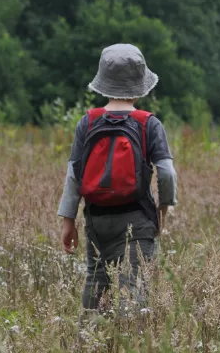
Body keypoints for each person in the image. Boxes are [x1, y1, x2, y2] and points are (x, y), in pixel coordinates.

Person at [57, 44, 177, 312]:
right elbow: (167, 172)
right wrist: (164, 209)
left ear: (103, 81)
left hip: (96, 220)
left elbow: (73, 175)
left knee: (95, 285)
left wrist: (68, 221)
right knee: (132, 294)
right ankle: (128, 343)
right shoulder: (149, 124)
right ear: (141, 84)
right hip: (137, 219)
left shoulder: (88, 122)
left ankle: (88, 341)